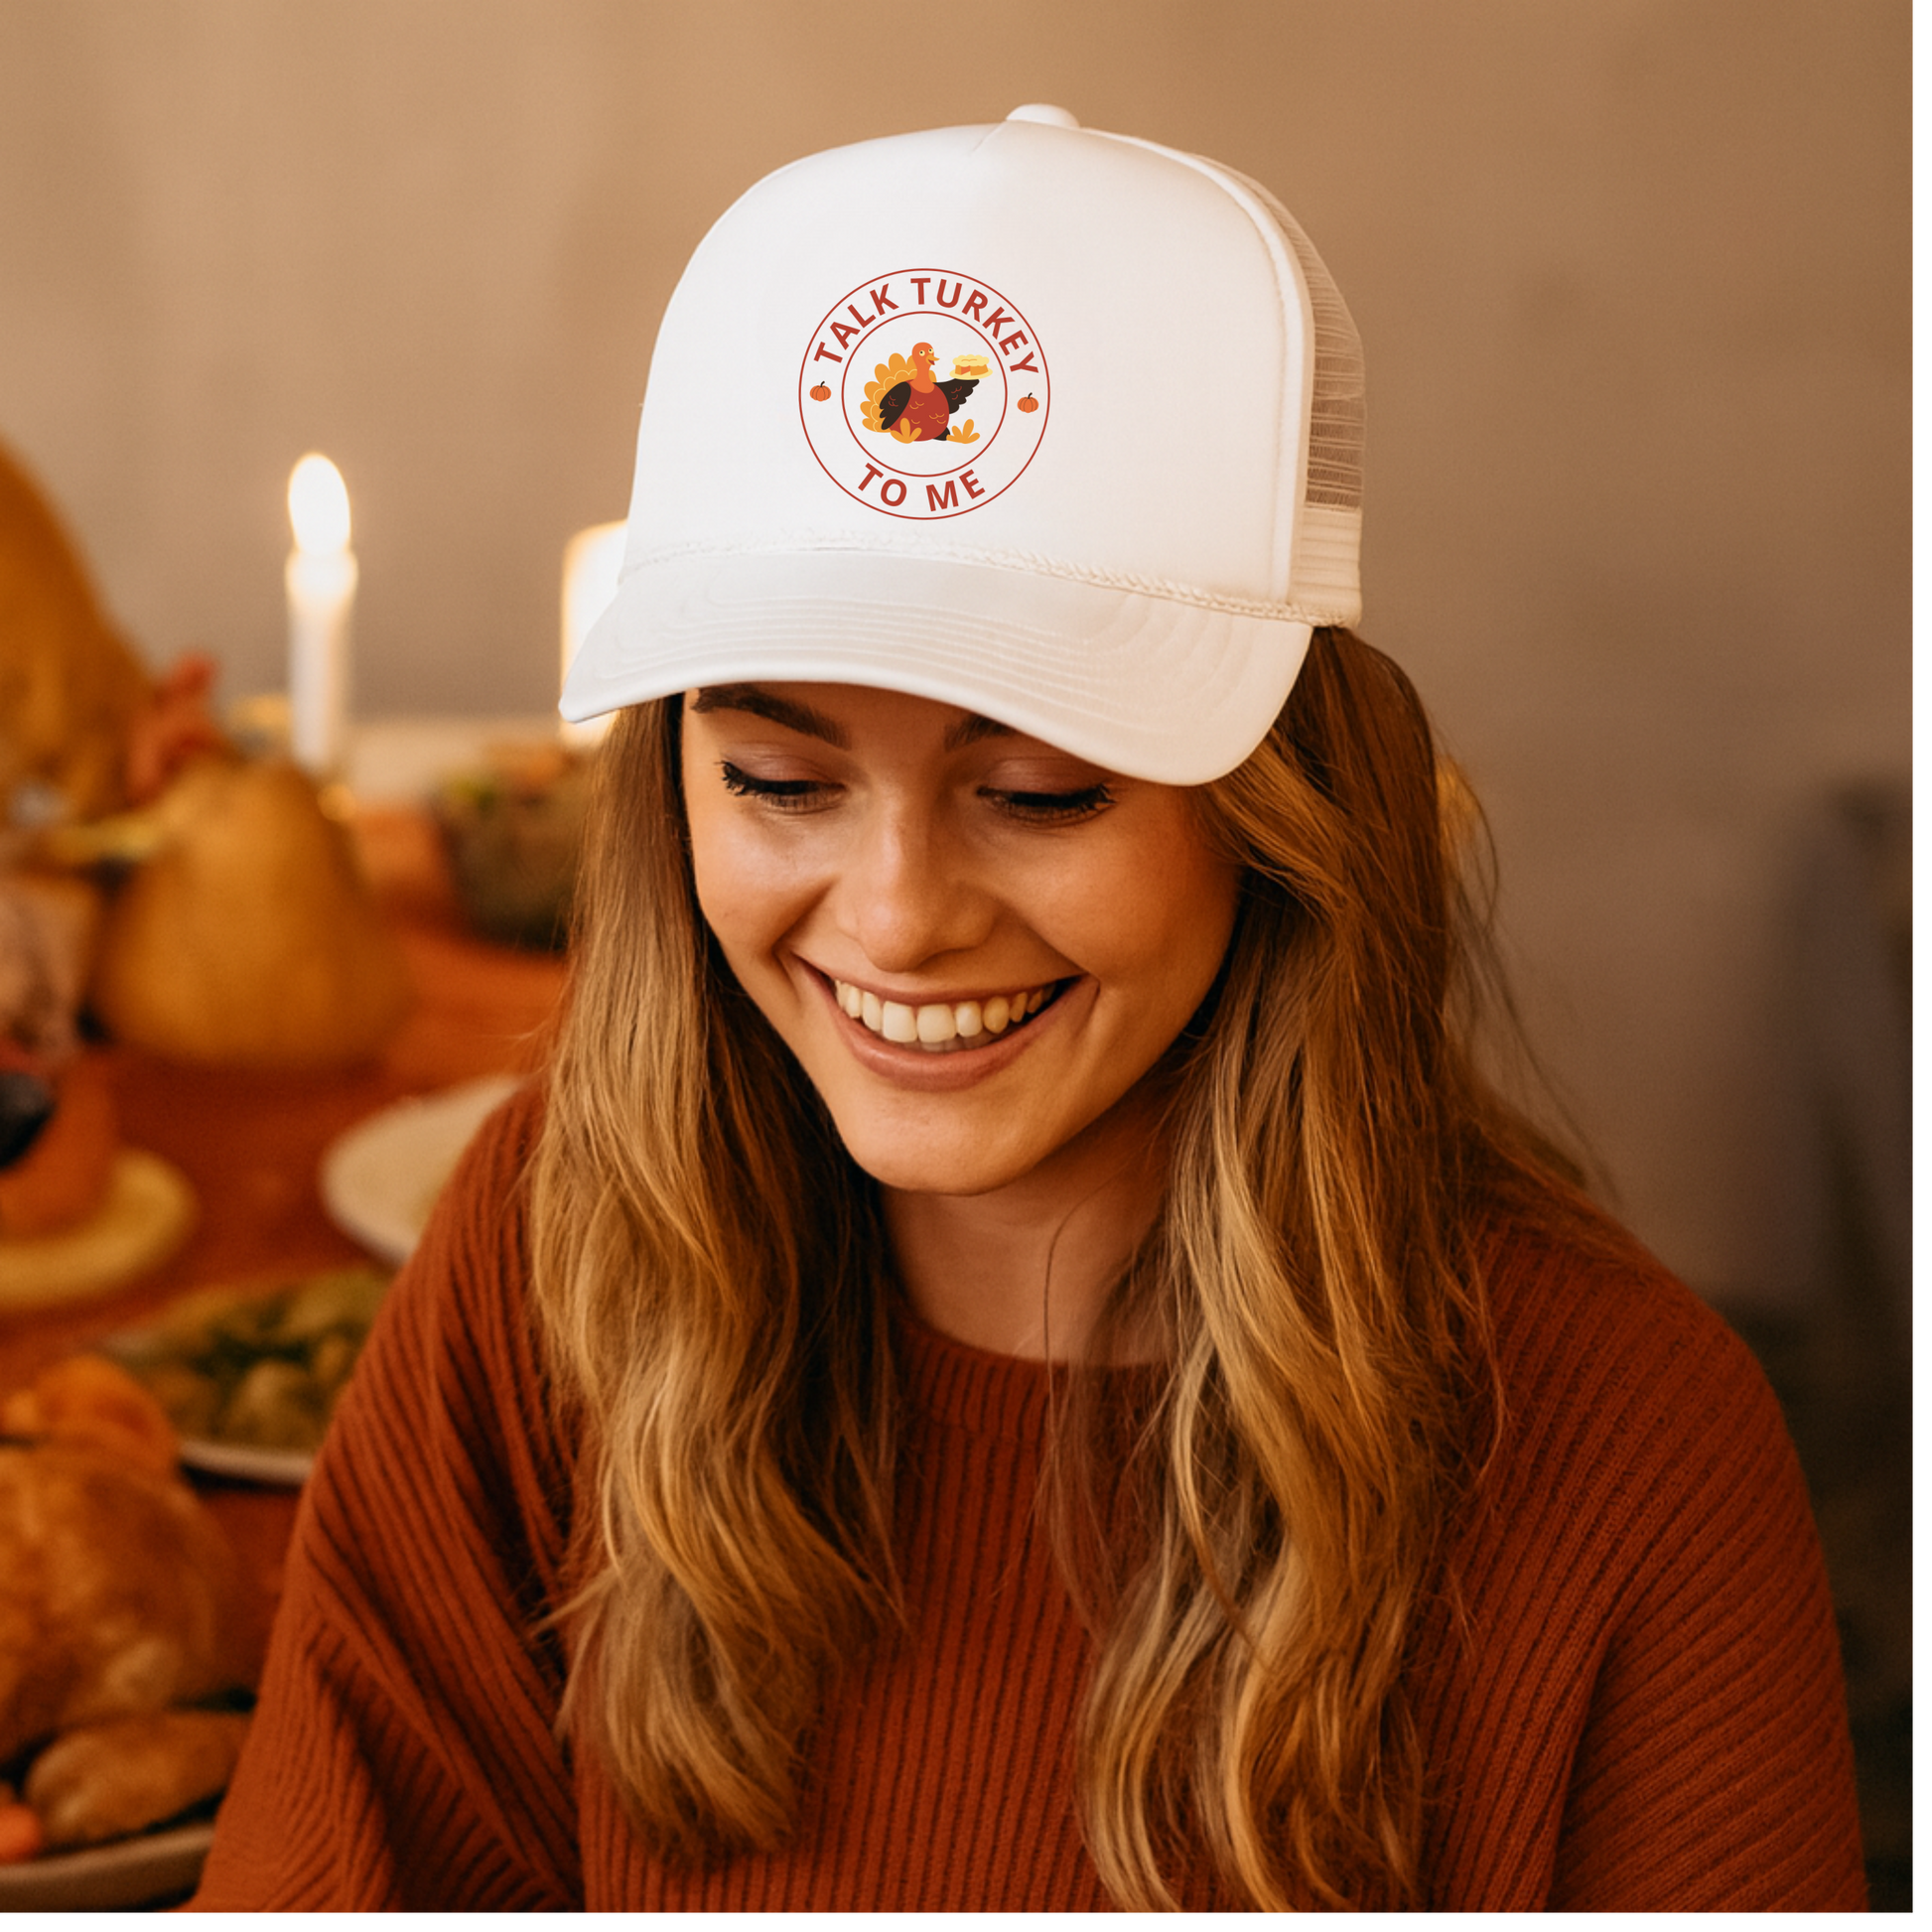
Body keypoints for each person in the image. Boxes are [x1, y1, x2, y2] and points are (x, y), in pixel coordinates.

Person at [188, 107, 1865, 1913]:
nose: (898, 918)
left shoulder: (1631, 1449)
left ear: (1282, 804)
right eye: (777, 778)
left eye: (1043, 790)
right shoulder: (557, 1250)